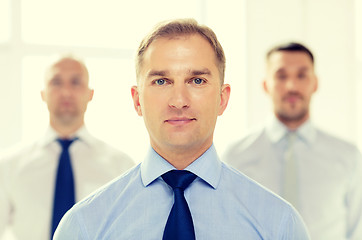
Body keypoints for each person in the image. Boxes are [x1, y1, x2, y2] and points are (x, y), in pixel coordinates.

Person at [54, 19, 310, 240]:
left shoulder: (279, 225)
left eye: (197, 80)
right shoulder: (84, 227)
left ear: (222, 98)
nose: (178, 100)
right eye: (161, 81)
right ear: (137, 100)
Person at [223, 42, 362, 240]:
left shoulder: (349, 157)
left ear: (315, 83)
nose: (292, 86)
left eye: (301, 75)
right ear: (265, 85)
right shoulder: (236, 156)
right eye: (281, 76)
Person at [0, 55, 134, 240]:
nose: (66, 92)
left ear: (90, 94)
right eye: (56, 82)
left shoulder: (121, 167)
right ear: (43, 94)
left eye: (76, 82)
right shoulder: (8, 166)